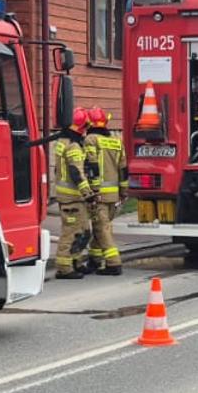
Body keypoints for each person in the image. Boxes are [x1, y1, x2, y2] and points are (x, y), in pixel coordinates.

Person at [51, 108, 93, 279]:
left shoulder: (62, 141)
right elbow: (76, 172)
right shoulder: (74, 146)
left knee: (82, 230)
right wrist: (88, 192)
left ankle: (75, 262)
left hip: (69, 196)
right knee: (71, 232)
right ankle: (64, 268)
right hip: (72, 197)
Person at [84, 107, 126, 276]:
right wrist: (124, 191)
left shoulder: (90, 140)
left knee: (102, 229)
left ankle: (113, 263)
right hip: (114, 194)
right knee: (101, 227)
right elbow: (124, 169)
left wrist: (93, 191)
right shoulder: (116, 141)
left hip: (99, 195)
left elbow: (92, 166)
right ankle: (94, 260)